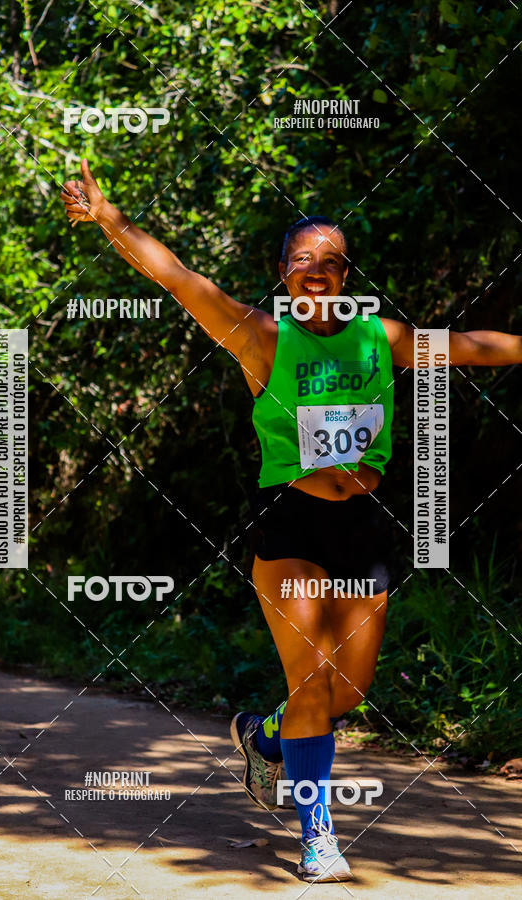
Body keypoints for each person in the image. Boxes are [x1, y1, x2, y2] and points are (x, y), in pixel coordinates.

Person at [60, 160, 522, 882]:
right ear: (282, 272)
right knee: (311, 680)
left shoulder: (382, 339)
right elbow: (180, 280)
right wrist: (109, 217)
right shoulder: (261, 338)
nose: (316, 270)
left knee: (348, 692)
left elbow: (470, 347)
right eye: (302, 259)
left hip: (363, 526)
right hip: (291, 524)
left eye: (330, 260)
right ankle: (319, 837)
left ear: (345, 272)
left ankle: (265, 737)